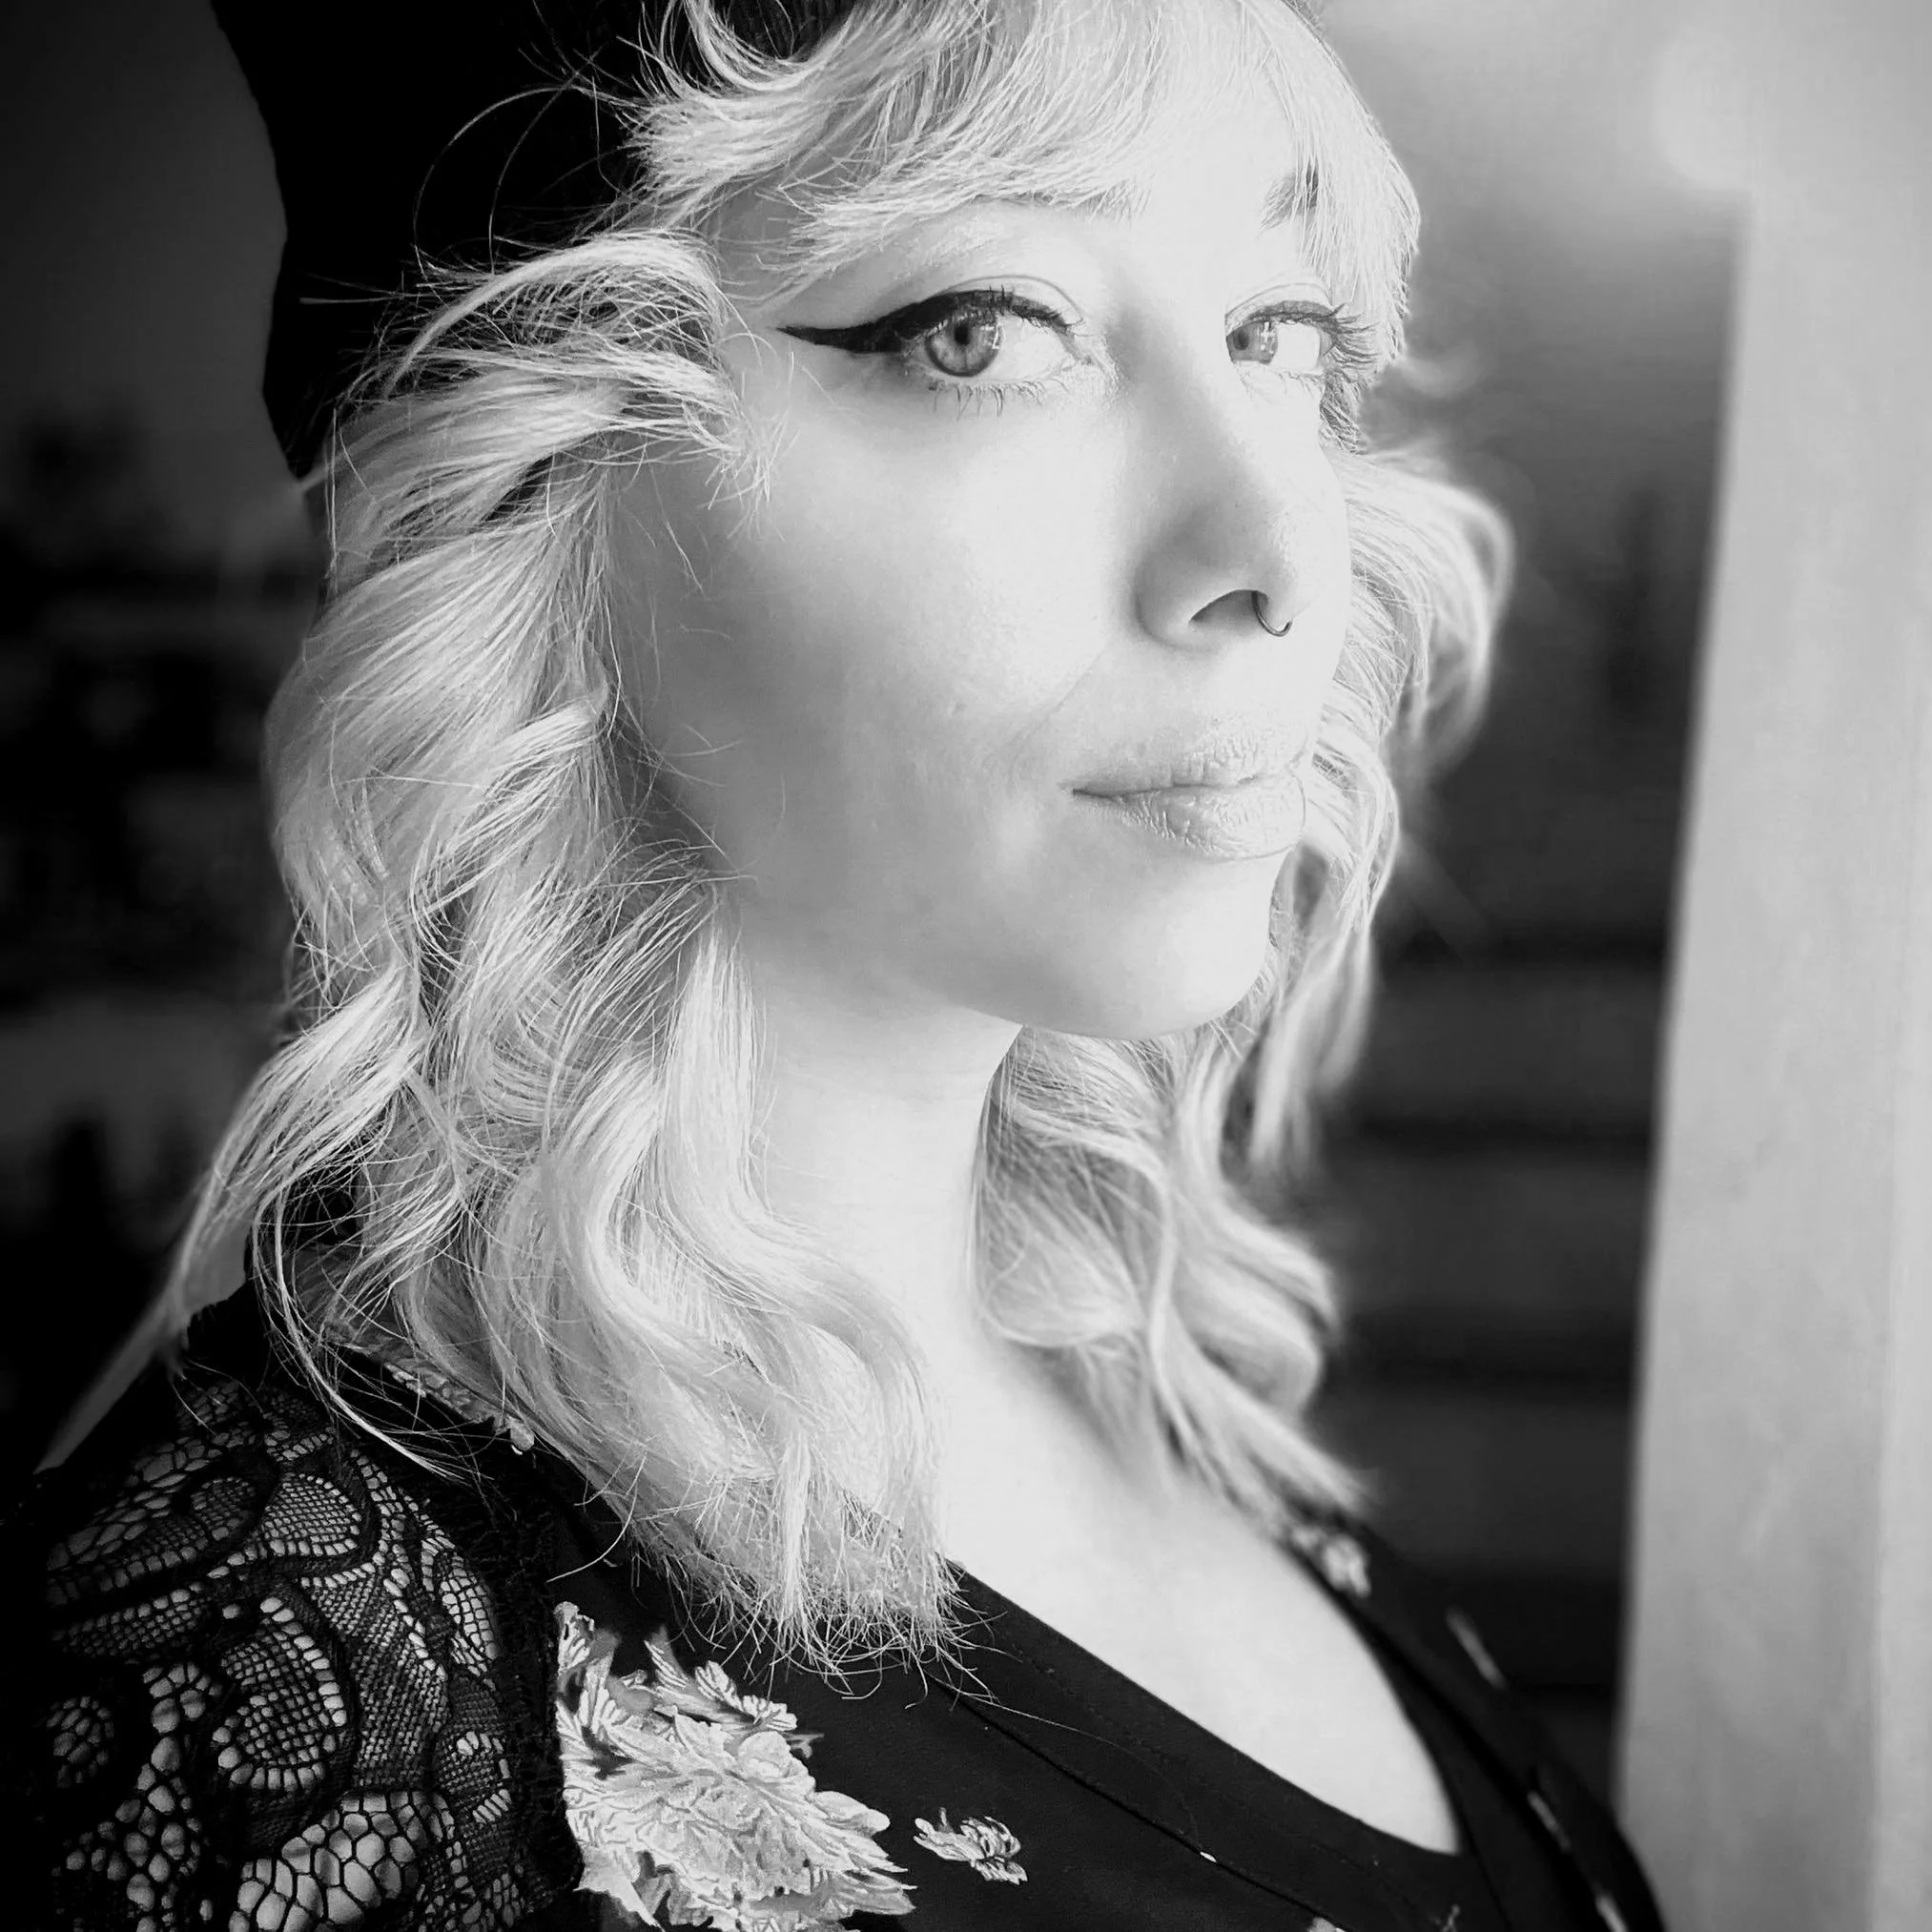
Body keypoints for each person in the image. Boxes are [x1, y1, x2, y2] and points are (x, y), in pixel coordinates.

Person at [6, 1, 1669, 1926]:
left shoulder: (1174, 1415)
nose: (1273, 548)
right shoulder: (280, 1664)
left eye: (1275, 331)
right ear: (541, 481)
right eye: (982, 333)